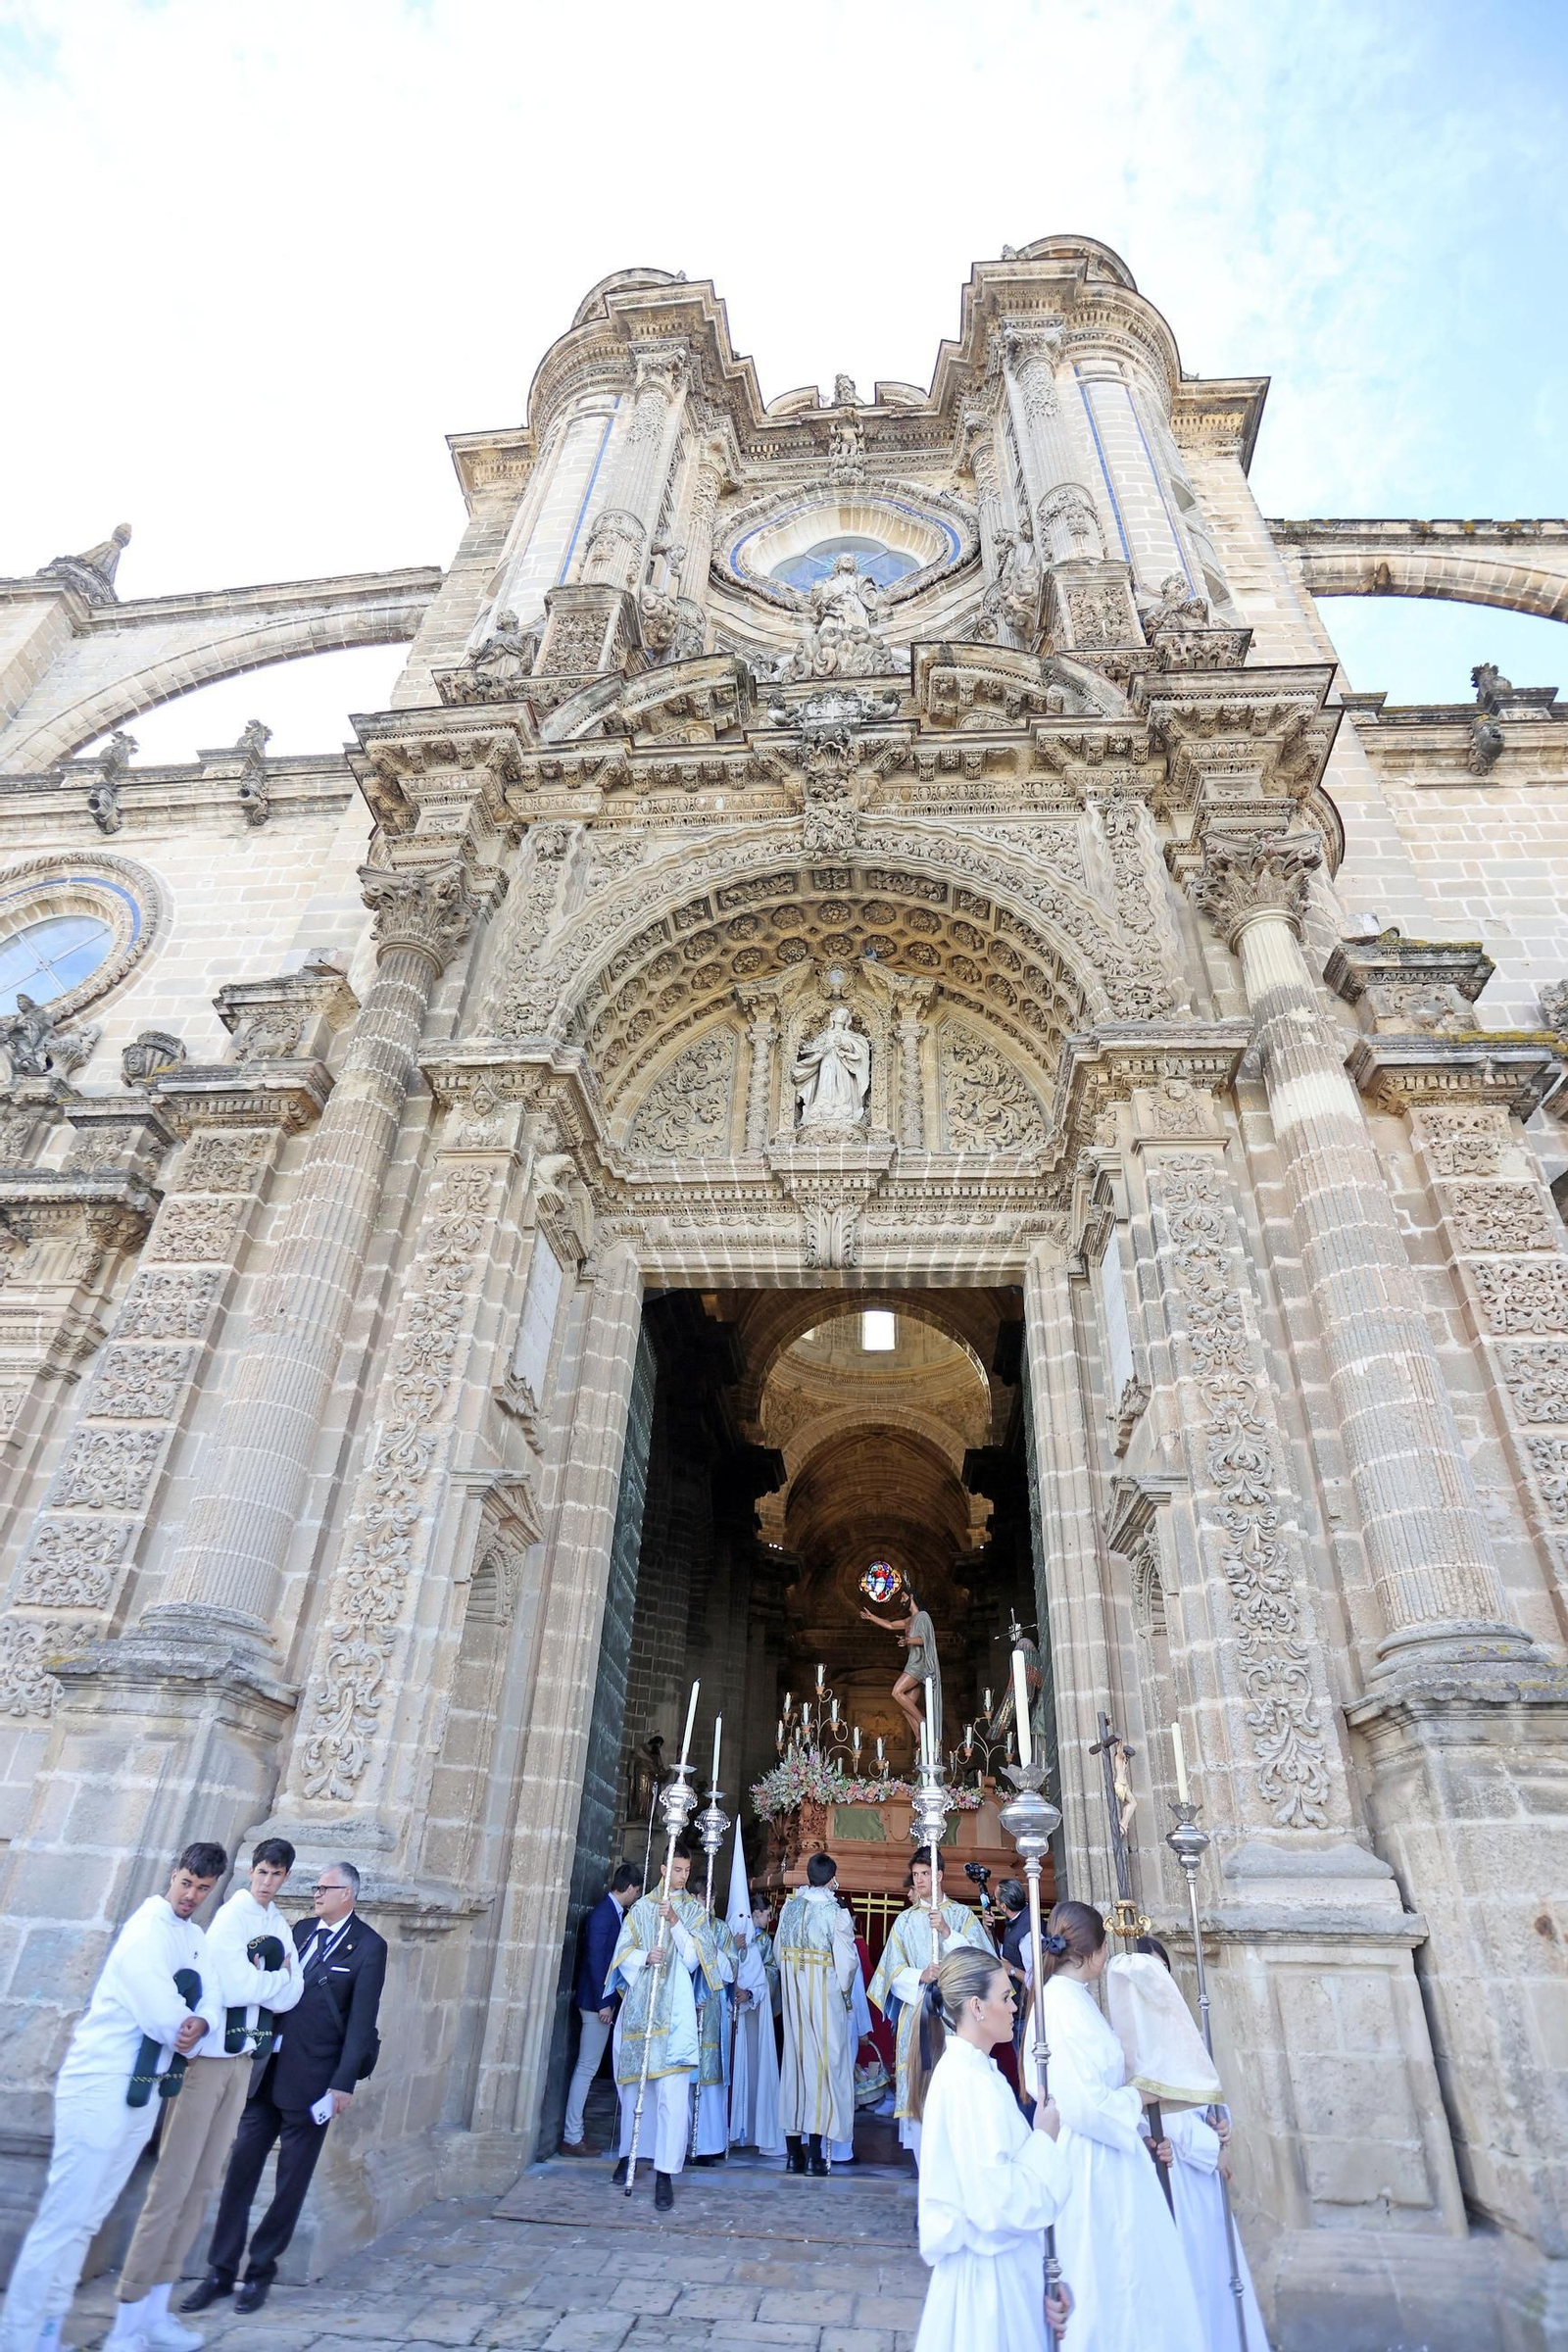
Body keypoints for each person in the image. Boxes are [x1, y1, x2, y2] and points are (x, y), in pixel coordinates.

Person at [0, 1842, 226, 2352]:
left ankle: (46, 2334)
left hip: (145, 2091)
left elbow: (213, 1996)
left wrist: (205, 2021)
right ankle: (18, 2338)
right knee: (64, 2218)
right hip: (100, 2084)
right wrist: (189, 2028)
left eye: (203, 1889)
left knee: (88, 2220)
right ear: (173, 1874)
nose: (191, 1896)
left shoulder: (195, 1938)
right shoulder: (145, 1929)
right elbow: (161, 2014)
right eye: (186, 1883)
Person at [107, 1841, 302, 2351]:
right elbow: (233, 1986)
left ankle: (156, 2312)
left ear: (286, 1878)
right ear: (250, 1871)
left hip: (243, 2062)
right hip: (206, 2064)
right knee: (172, 2184)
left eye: (277, 1874)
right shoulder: (229, 1918)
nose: (267, 1881)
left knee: (202, 2187)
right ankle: (126, 2319)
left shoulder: (278, 1923)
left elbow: (294, 1991)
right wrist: (274, 1979)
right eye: (262, 1871)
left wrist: (269, 1982)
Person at [184, 1861, 386, 2317]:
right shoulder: (299, 1931)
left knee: (290, 2183)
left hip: (313, 2082)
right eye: (315, 1887)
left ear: (348, 1894)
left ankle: (260, 2270)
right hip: (265, 2073)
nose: (316, 1894)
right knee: (240, 2171)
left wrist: (342, 2084)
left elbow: (361, 2022)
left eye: (324, 1888)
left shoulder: (369, 1946)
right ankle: (220, 2270)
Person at [1037, 1900, 1205, 2352]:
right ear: (1092, 1951)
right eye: (1105, 1947)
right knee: (1105, 2273)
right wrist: (1138, 2097)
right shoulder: (1060, 2004)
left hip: (1111, 2153)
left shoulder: (1075, 1998)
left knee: (1133, 2272)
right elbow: (1083, 2105)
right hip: (1089, 2161)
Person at [909, 1944, 1071, 2351]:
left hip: (1004, 2271)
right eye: (1005, 1997)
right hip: (989, 2290)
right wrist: (1044, 2139)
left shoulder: (976, 2072)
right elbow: (997, 2202)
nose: (1015, 2006)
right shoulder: (968, 2083)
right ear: (977, 2007)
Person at [1134, 1938, 1270, 2350]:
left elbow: (1210, 2091)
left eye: (1163, 1972)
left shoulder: (1184, 2028)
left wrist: (1222, 2123)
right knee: (1193, 2269)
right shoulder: (1135, 2040)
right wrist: (1213, 2150)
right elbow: (1162, 2119)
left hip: (1205, 2170)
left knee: (1218, 2266)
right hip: (1178, 2171)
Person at [605, 1839, 723, 2212]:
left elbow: (695, 1959)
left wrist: (674, 1924)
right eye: (677, 1869)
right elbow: (621, 1954)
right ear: (663, 1869)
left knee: (672, 2094)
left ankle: (665, 2173)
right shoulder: (641, 1908)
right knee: (636, 2090)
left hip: (676, 2012)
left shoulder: (693, 1911)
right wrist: (644, 1957)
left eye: (687, 1870)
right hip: (642, 2008)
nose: (683, 1876)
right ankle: (630, 2152)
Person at [867, 1855, 991, 2163]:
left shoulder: (961, 1916)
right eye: (915, 1874)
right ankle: (925, 2161)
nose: (919, 1879)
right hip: (918, 2012)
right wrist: (919, 1976)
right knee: (922, 2084)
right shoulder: (905, 1921)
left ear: (939, 1875)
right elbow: (891, 1972)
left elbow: (981, 1963)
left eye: (925, 1873)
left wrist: (947, 1933)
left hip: (955, 2015)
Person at [775, 1854, 859, 2177]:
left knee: (795, 2067)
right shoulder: (836, 1914)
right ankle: (814, 2157)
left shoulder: (789, 1908)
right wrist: (843, 1997)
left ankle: (793, 2155)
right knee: (823, 2069)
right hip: (824, 2001)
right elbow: (846, 1965)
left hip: (794, 2000)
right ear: (832, 1879)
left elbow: (778, 1952)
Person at [560, 1863, 643, 2156]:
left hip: (600, 2002)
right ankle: (572, 2136)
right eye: (636, 1891)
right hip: (596, 2004)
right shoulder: (603, 1915)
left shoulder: (612, 1913)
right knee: (586, 2068)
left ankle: (575, 2133)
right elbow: (597, 1962)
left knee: (588, 2067)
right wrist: (603, 2002)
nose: (636, 1896)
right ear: (629, 1888)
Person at [728, 1896, 784, 2157]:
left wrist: (752, 1991)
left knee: (754, 2069)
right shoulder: (724, 1935)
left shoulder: (763, 1942)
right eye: (765, 1914)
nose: (767, 1919)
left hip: (754, 2014)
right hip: (728, 2015)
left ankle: (752, 2128)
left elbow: (771, 1971)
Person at [858, 1589, 942, 1755]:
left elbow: (926, 1639)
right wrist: (871, 1617)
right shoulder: (909, 1620)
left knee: (896, 1692)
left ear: (911, 1597)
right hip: (913, 1662)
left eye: (903, 1596)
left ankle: (922, 1722)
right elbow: (890, 1625)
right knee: (906, 1707)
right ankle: (921, 1736)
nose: (901, 1600)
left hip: (919, 1664)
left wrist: (908, 1640)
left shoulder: (923, 1617)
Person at [691, 1908, 738, 2164]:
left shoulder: (721, 1929)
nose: (705, 1904)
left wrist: (713, 1949)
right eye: (701, 1898)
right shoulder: (685, 1923)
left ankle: (709, 2144)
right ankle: (686, 2143)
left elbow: (731, 1970)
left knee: (711, 2080)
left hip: (713, 2010)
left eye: (709, 1898)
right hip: (689, 2010)